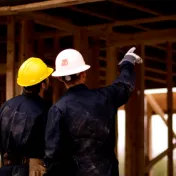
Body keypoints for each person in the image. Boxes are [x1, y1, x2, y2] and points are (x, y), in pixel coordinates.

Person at [44, 47, 142, 176]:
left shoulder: (58, 110)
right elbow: (124, 86)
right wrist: (127, 63)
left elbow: (53, 156)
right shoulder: (105, 98)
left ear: (60, 79)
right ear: (84, 73)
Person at [0, 57, 53, 176]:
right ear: (43, 83)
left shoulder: (6, 106)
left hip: (5, 169)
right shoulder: (45, 109)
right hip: (32, 171)